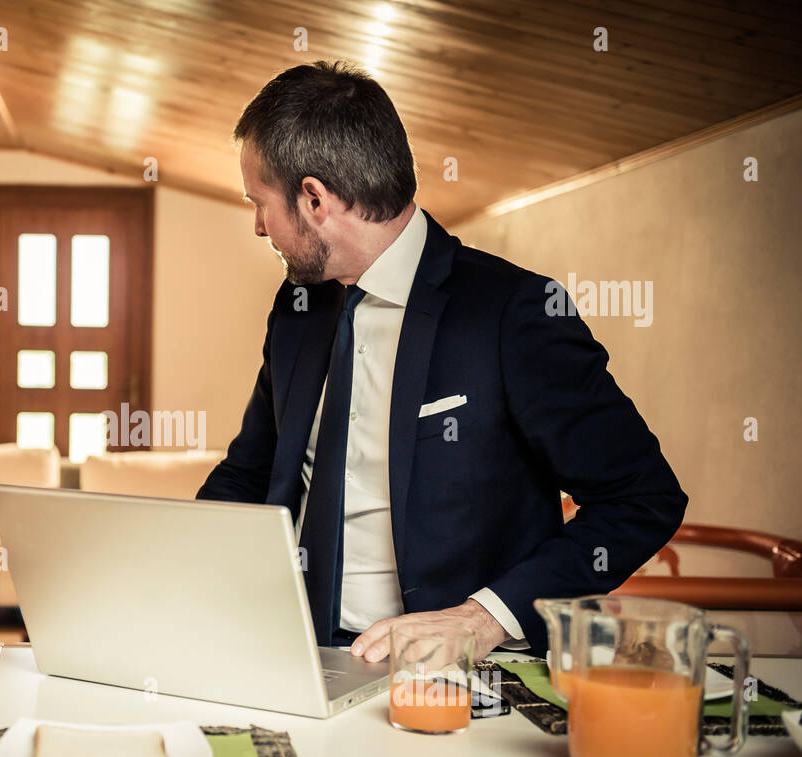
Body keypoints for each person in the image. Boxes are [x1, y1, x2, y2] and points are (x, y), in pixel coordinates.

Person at [197, 61, 687, 662]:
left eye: (259, 203)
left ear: (315, 198)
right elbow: (250, 473)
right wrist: (179, 567)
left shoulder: (515, 311)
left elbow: (642, 497)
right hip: (292, 655)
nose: (256, 226)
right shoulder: (297, 307)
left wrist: (482, 621)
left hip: (465, 676)